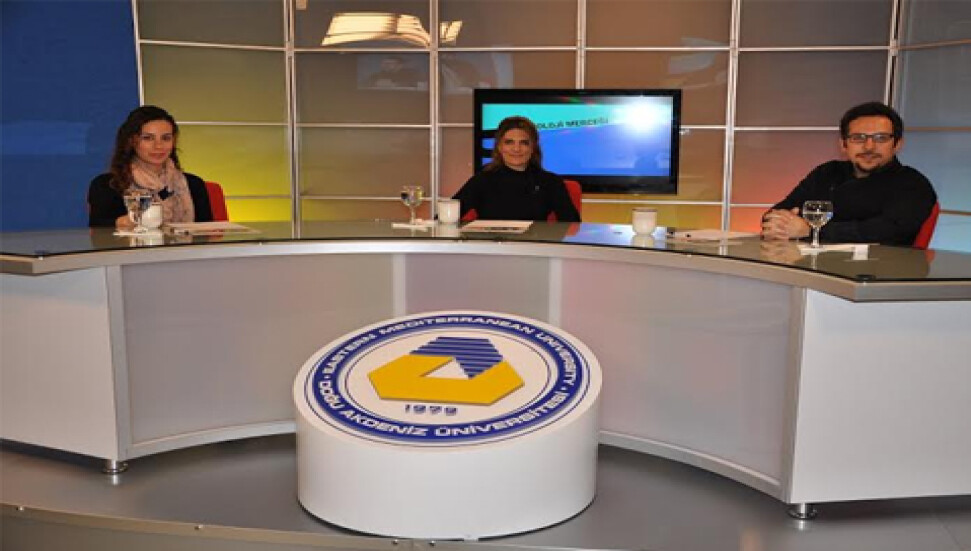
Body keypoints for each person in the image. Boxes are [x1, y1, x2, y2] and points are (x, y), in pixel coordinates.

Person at [761, 102, 936, 246]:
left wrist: (811, 230)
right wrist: (779, 224)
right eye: (858, 138)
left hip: (879, 272)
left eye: (880, 138)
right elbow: (775, 213)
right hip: (813, 266)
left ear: (897, 144)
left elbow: (887, 231)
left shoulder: (913, 184)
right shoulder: (827, 172)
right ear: (843, 145)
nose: (869, 147)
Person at [88, 105, 213, 228]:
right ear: (131, 141)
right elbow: (98, 230)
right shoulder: (107, 185)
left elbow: (208, 233)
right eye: (147, 138)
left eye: (166, 138)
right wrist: (125, 222)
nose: (158, 146)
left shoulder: (194, 185)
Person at [453, 116, 581, 222]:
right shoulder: (481, 180)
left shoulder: (551, 182)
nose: (516, 149)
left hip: (534, 244)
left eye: (524, 143)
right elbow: (447, 217)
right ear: (499, 147)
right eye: (509, 142)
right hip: (492, 244)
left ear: (533, 148)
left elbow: (572, 227)